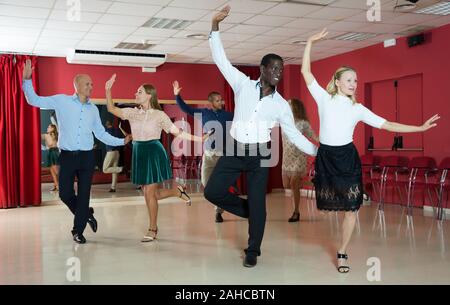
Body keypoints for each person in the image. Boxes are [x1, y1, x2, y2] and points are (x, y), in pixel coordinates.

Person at [302, 28, 440, 273]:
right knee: (336, 205)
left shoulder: (359, 109)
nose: (354, 84)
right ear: (337, 82)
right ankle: (341, 243)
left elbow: (388, 124)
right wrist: (310, 41)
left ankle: (342, 252)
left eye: (355, 80)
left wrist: (419, 127)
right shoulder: (325, 98)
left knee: (352, 209)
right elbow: (305, 71)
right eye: (349, 80)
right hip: (327, 157)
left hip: (347, 158)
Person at [204, 6, 318, 268]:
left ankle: (253, 249)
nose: (279, 72)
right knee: (212, 192)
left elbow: (295, 135)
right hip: (234, 149)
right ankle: (252, 213)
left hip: (259, 154)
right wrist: (214, 25)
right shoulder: (242, 83)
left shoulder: (281, 105)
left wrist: (316, 151)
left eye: (282, 69)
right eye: (275, 68)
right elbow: (221, 59)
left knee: (258, 202)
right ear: (263, 69)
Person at [22, 60, 132, 244]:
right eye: (88, 83)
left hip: (86, 157)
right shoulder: (61, 101)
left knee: (83, 195)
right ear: (77, 85)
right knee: (65, 193)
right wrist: (27, 81)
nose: (91, 86)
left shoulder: (93, 110)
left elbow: (101, 134)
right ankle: (86, 214)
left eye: (91, 84)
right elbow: (34, 100)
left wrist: (121, 141)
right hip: (67, 156)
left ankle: (77, 231)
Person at [105, 74, 210, 242]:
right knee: (148, 193)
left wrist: (200, 139)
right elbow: (112, 109)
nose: (135, 94)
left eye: (139, 92)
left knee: (150, 193)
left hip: (153, 152)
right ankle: (177, 191)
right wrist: (108, 90)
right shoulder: (132, 113)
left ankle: (153, 228)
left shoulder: (159, 115)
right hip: (139, 152)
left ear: (149, 95)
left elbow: (177, 132)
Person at [173, 80, 235, 223]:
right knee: (206, 182)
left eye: (221, 100)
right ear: (211, 102)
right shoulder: (203, 113)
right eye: (218, 100)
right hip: (208, 155)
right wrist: (177, 95)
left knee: (221, 184)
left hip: (222, 155)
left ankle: (218, 211)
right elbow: (185, 108)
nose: (222, 102)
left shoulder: (228, 115)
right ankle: (219, 203)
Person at [281, 99, 318, 222]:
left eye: (289, 104)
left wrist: (326, 142)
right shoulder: (283, 121)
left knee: (293, 183)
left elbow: (313, 136)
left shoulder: (303, 123)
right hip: (287, 157)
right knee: (286, 185)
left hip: (299, 157)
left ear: (295, 107)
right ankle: (314, 183)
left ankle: (296, 212)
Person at [102, 120, 125, 193]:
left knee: (105, 169)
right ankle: (113, 187)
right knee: (114, 170)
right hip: (117, 152)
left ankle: (121, 169)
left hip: (110, 152)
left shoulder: (106, 131)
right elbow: (122, 139)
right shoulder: (117, 131)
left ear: (106, 124)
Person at [42, 123, 60, 192]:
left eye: (49, 127)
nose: (47, 128)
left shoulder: (55, 135)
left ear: (53, 129)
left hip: (54, 152)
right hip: (50, 153)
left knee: (56, 171)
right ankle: (56, 185)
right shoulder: (46, 135)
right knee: (52, 171)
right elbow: (38, 135)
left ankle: (61, 185)